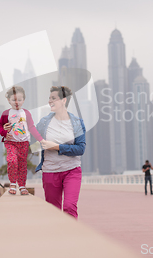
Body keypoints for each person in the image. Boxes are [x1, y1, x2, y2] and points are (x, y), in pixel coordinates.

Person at [36, 86, 86, 219]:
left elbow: (80, 149)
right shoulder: (44, 122)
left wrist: (57, 147)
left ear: (64, 101)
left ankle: (71, 238)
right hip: (50, 172)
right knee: (53, 212)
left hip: (71, 170)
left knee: (69, 207)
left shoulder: (76, 123)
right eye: (49, 98)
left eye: (54, 98)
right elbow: (31, 140)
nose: (50, 101)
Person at [0, 85, 44, 195]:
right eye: (14, 100)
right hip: (11, 142)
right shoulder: (6, 113)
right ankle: (13, 183)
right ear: (9, 100)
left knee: (22, 165)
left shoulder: (26, 113)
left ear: (23, 100)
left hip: (24, 143)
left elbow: (32, 127)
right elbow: (0, 126)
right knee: (12, 160)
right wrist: (4, 133)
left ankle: (22, 186)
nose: (17, 102)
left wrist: (40, 139)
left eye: (19, 99)